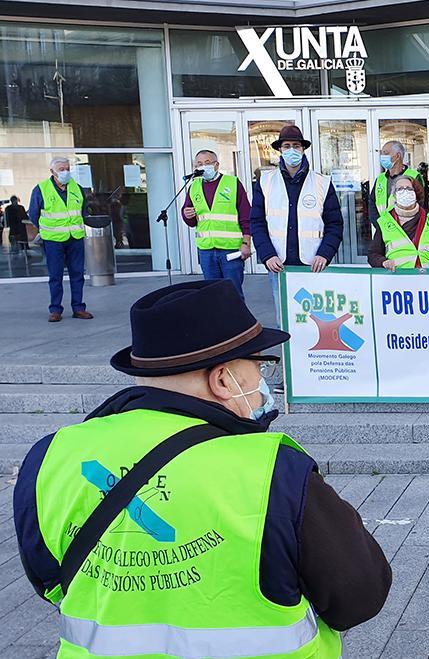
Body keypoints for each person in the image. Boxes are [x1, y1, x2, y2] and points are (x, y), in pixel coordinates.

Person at [12, 279, 391, 657]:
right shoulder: (273, 471)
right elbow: (359, 595)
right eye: (258, 366)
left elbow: (50, 579)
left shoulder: (52, 454)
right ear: (224, 380)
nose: (262, 381)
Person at [250, 125, 343, 324]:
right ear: (280, 150)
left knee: (316, 320)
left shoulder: (321, 182)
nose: (292, 150)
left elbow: (335, 224)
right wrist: (267, 255)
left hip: (313, 264)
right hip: (279, 265)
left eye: (296, 146)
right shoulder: (265, 181)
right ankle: (288, 356)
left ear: (303, 149)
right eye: (287, 146)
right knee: (284, 319)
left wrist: (324, 254)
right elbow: (257, 223)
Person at [29, 156, 92, 323]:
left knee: (77, 274)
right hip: (53, 240)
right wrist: (45, 230)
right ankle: (55, 310)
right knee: (55, 276)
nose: (66, 172)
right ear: (52, 171)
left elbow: (83, 211)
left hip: (75, 238)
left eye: (67, 169)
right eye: (61, 169)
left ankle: (79, 308)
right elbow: (34, 214)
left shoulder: (77, 188)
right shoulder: (41, 189)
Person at [181, 149, 253, 297]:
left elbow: (246, 216)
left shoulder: (232, 183)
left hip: (230, 250)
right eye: (199, 164)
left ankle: (237, 321)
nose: (203, 166)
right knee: (213, 295)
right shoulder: (193, 186)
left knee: (233, 294)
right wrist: (187, 215)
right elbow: (191, 219)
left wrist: (246, 243)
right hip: (206, 251)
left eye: (207, 163)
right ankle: (218, 321)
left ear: (216, 165)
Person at [367, 175, 429, 269]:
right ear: (394, 196)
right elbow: (373, 255)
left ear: (416, 193)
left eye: (409, 188)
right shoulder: (384, 221)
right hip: (399, 278)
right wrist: (383, 262)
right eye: (399, 189)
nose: (405, 192)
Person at [372, 140, 425, 226]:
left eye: (386, 153)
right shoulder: (380, 178)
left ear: (397, 156)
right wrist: (380, 225)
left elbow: (421, 204)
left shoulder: (413, 177)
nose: (382, 157)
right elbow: (372, 204)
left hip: (406, 229)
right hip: (383, 228)